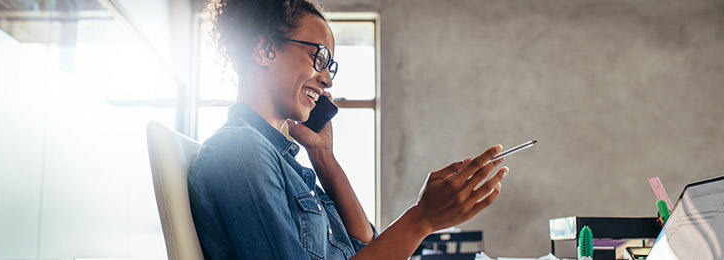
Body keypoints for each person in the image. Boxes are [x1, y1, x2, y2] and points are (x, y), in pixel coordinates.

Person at [187, 0, 510, 259]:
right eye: (319, 57)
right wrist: (421, 219)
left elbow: (366, 247)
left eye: (331, 67)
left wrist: (324, 158)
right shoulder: (240, 151)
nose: (328, 79)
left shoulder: (283, 161)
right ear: (263, 50)